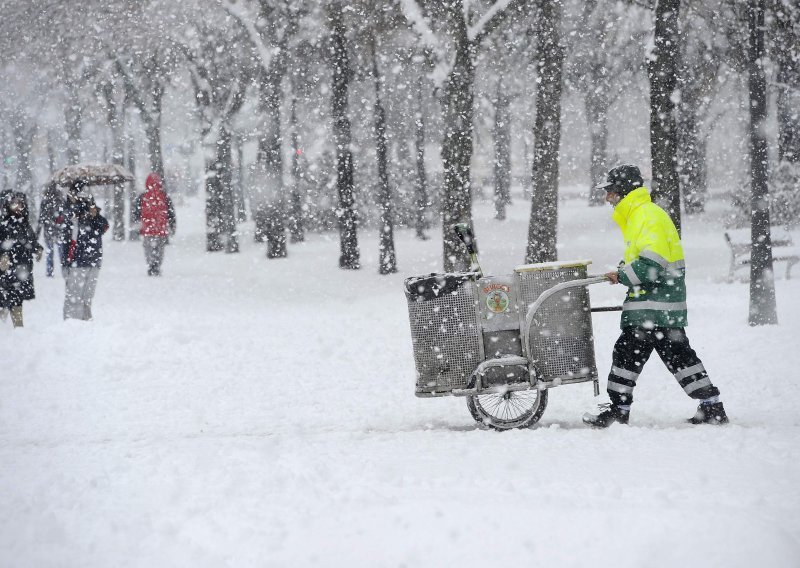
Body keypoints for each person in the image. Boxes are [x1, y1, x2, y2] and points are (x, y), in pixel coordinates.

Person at [583, 164, 728, 427]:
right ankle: (711, 405)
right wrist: (623, 270)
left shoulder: (646, 216)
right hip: (661, 303)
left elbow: (651, 264)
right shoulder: (643, 215)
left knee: (627, 354)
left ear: (624, 190)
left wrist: (624, 275)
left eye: (611, 192)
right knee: (679, 355)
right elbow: (645, 259)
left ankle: (619, 409)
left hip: (652, 305)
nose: (607, 198)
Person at [0, 192, 43, 327]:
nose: (18, 207)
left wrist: (38, 249)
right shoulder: (3, 224)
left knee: (17, 297)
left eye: (20, 204)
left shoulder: (24, 224)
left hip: (22, 266)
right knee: (5, 297)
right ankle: (6, 325)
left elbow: (31, 241)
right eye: (14, 203)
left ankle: (17, 327)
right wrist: (2, 256)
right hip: (6, 269)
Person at [62, 197, 109, 320]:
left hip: (93, 261)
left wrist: (95, 215)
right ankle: (72, 320)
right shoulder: (74, 220)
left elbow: (104, 226)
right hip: (77, 262)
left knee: (88, 293)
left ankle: (86, 315)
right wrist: (66, 262)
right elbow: (68, 242)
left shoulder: (96, 220)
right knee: (75, 293)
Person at [133, 172, 176, 276]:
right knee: (160, 247)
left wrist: (137, 224)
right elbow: (171, 213)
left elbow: (137, 213)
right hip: (160, 228)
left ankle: (151, 264)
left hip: (147, 228)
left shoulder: (143, 196)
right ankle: (157, 264)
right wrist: (172, 225)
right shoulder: (164, 196)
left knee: (148, 247)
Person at [37, 182, 64, 277]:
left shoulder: (45, 201)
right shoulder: (60, 200)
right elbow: (64, 216)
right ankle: (64, 270)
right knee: (61, 253)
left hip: (48, 231)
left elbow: (41, 219)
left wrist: (37, 234)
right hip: (59, 230)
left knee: (50, 252)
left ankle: (50, 271)